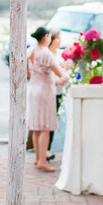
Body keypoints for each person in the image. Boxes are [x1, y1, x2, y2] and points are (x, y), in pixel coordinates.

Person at [28, 26, 68, 173]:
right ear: (46, 37)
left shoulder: (31, 51)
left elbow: (30, 71)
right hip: (44, 92)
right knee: (45, 126)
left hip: (33, 88)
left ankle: (38, 158)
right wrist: (65, 77)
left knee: (36, 125)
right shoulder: (46, 53)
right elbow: (60, 73)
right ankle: (43, 160)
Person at [47, 29, 68, 158]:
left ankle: (49, 148)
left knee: (54, 120)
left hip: (59, 92)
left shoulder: (60, 54)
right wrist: (58, 81)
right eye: (57, 38)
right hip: (50, 91)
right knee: (48, 121)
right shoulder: (48, 54)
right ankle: (46, 149)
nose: (60, 41)